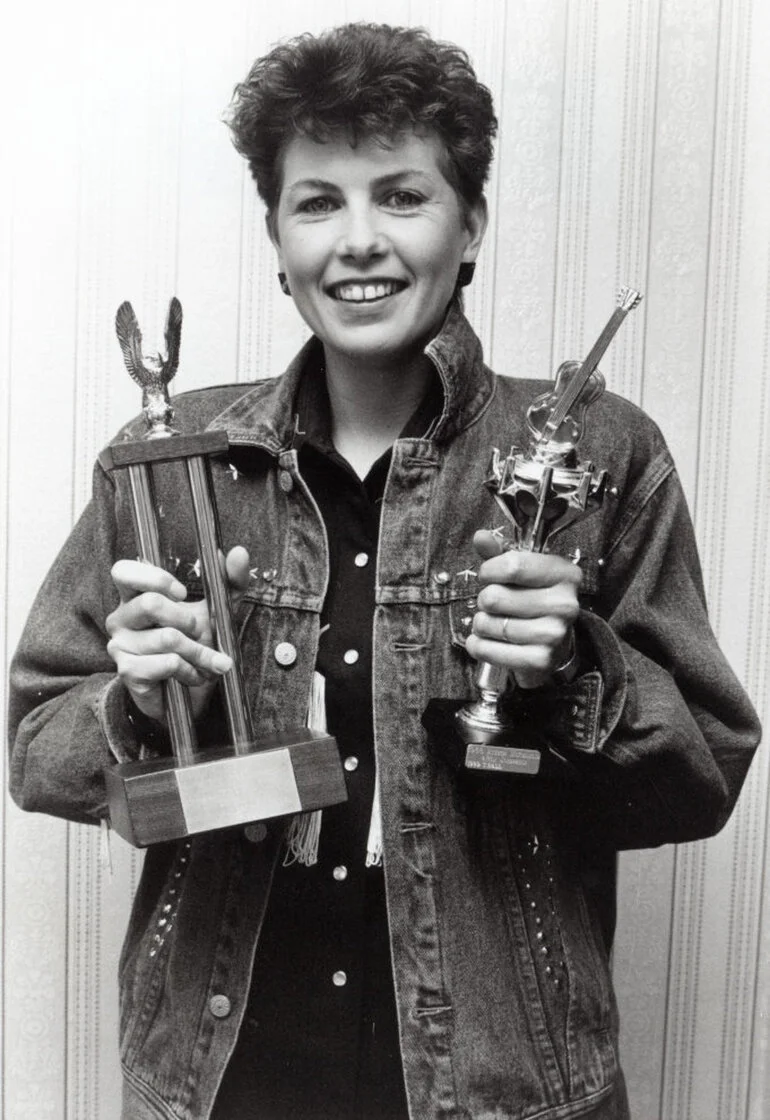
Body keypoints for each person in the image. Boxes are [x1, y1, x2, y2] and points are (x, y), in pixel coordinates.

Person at [7, 21, 760, 1120]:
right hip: (222, 1082)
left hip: (508, 1087)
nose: (357, 241)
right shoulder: (176, 465)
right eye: (318, 202)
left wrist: (571, 675)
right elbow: (37, 749)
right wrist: (137, 701)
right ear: (276, 238)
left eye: (401, 196)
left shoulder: (596, 454)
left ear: (470, 226)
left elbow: (700, 778)